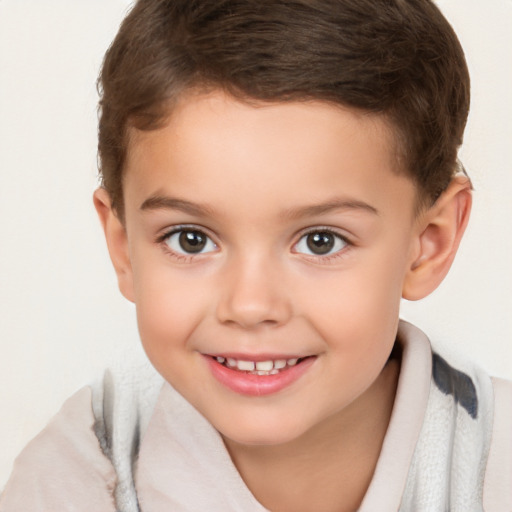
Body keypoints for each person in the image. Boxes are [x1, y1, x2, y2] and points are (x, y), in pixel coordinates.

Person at [1, 0, 510, 510]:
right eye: (190, 239)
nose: (249, 305)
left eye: (321, 241)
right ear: (124, 246)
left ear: (429, 243)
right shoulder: (71, 484)